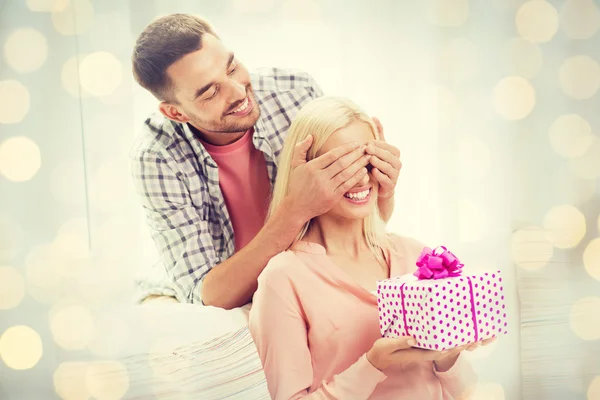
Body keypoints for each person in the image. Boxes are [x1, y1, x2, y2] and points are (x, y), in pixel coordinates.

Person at [129, 14, 403, 308]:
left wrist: (383, 187)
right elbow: (208, 296)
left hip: (301, 265)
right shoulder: (157, 156)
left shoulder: (295, 92)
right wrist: (294, 211)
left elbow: (353, 223)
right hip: (217, 286)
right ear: (176, 113)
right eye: (211, 91)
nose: (238, 92)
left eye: (232, 68)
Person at [249, 97, 493, 400]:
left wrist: (448, 356)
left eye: (369, 159)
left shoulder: (417, 256)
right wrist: (373, 364)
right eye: (342, 165)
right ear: (307, 176)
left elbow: (469, 393)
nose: (363, 177)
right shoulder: (284, 278)